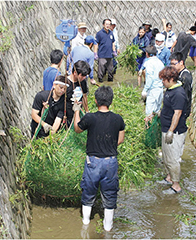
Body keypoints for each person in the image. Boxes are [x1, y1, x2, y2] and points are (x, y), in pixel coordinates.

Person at [73, 86, 125, 232]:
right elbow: (120, 140)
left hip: (93, 162)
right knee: (109, 194)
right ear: (111, 101)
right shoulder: (118, 119)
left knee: (88, 191)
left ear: (95, 101)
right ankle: (108, 228)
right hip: (110, 162)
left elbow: (77, 129)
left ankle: (85, 224)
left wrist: (77, 109)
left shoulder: (90, 117)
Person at [158, 66, 188, 194]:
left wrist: (171, 131)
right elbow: (168, 108)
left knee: (173, 158)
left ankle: (176, 186)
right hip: (166, 128)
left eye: (163, 79)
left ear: (170, 79)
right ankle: (169, 178)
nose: (162, 82)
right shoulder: (170, 90)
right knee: (166, 156)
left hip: (175, 132)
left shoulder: (178, 93)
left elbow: (178, 113)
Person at [141, 45, 165, 125]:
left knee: (149, 113)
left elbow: (149, 78)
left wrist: (145, 90)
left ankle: (149, 129)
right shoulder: (160, 62)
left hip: (153, 90)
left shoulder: (149, 63)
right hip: (160, 89)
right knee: (157, 111)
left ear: (147, 54)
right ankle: (157, 127)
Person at [66, 60, 91, 127]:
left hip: (78, 112)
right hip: (67, 115)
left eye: (85, 76)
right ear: (75, 73)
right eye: (82, 76)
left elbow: (84, 96)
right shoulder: (65, 83)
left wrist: (87, 112)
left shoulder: (83, 82)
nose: (84, 78)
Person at [170, 52, 192, 118]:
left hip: (182, 110)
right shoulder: (178, 74)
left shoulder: (185, 76)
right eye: (171, 64)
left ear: (181, 63)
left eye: (174, 64)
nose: (172, 66)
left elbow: (185, 95)